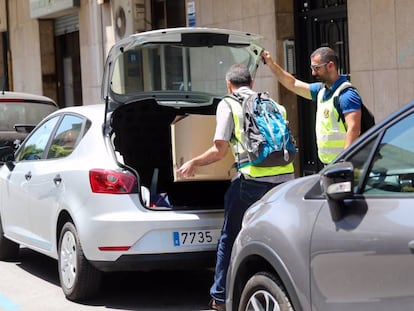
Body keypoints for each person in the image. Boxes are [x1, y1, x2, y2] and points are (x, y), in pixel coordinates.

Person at [176, 64, 295, 311]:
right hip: (285, 181)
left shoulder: (228, 104)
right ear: (251, 83)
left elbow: (220, 151)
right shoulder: (274, 105)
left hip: (251, 183)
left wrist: (193, 163)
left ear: (228, 85)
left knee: (230, 238)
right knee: (277, 237)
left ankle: (219, 297)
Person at [262, 47, 363, 165]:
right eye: (312, 68)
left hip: (343, 165)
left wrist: (345, 162)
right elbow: (293, 84)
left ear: (330, 65)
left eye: (317, 68)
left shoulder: (346, 94)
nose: (313, 73)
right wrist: (271, 63)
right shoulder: (321, 91)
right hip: (328, 164)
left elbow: (354, 129)